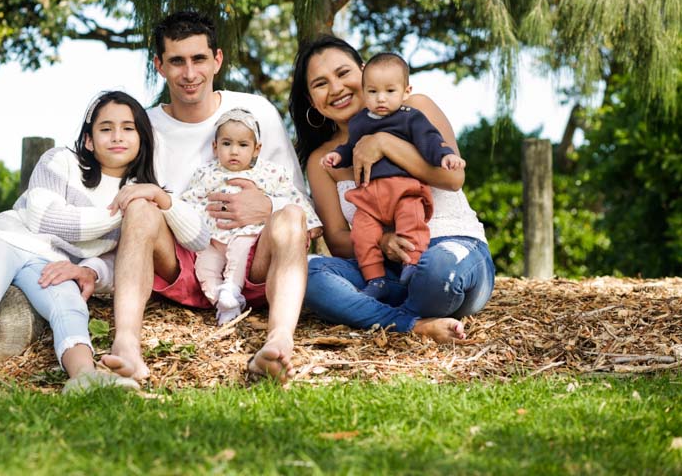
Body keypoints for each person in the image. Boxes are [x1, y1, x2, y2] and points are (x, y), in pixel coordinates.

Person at [0, 91, 208, 396]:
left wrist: (160, 199)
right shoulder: (61, 160)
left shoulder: (138, 192)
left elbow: (195, 239)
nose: (117, 136)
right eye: (106, 128)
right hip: (5, 239)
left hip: (52, 262)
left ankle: (84, 377)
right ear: (89, 140)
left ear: (142, 138)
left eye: (128, 128)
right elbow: (44, 217)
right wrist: (122, 215)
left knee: (70, 307)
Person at [100, 10, 313, 383]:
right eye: (176, 61)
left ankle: (278, 343)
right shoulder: (144, 126)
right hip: (181, 263)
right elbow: (115, 207)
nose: (189, 73)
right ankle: (127, 345)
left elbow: (302, 207)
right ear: (159, 65)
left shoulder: (256, 113)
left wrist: (267, 207)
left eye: (199, 59)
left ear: (217, 59)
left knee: (291, 217)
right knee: (139, 207)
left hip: (253, 261)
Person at [289, 35, 494, 342]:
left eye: (343, 73)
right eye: (320, 84)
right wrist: (383, 242)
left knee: (436, 272)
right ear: (311, 100)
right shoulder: (324, 160)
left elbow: (453, 179)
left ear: (364, 71)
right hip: (383, 275)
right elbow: (338, 240)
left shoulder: (415, 109)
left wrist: (384, 143)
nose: (336, 88)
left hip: (451, 250)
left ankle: (377, 314)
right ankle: (411, 324)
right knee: (306, 273)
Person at [321, 52, 465, 286]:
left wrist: (446, 156)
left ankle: (412, 264)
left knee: (412, 221)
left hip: (404, 192)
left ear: (405, 91)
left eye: (389, 91)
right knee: (357, 236)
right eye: (373, 92)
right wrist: (337, 156)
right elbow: (350, 148)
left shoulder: (410, 116)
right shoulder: (360, 123)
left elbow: (430, 141)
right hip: (369, 202)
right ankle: (375, 280)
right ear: (366, 88)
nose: (381, 99)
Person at [181, 107, 322, 325]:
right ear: (215, 147)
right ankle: (222, 302)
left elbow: (293, 198)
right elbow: (189, 200)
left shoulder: (270, 172)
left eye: (243, 145)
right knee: (204, 267)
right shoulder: (205, 173)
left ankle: (232, 288)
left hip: (247, 235)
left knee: (240, 252)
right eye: (226, 144)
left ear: (257, 149)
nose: (234, 151)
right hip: (213, 238)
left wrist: (311, 224)